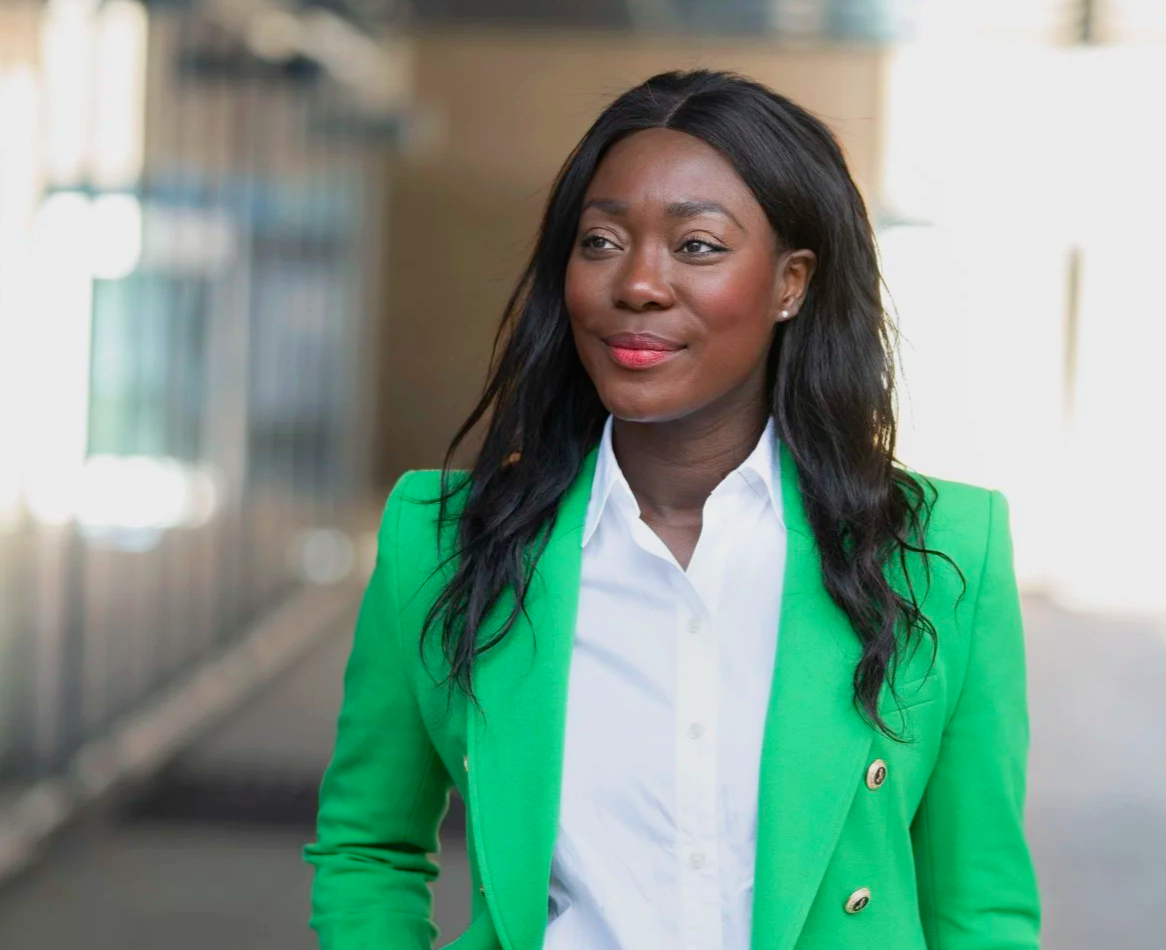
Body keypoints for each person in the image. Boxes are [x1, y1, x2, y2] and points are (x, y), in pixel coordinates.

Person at [303, 69, 1039, 950]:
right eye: (602, 240)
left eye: (696, 246)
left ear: (790, 283)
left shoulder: (941, 553)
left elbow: (977, 908)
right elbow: (369, 846)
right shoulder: (443, 542)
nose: (638, 284)